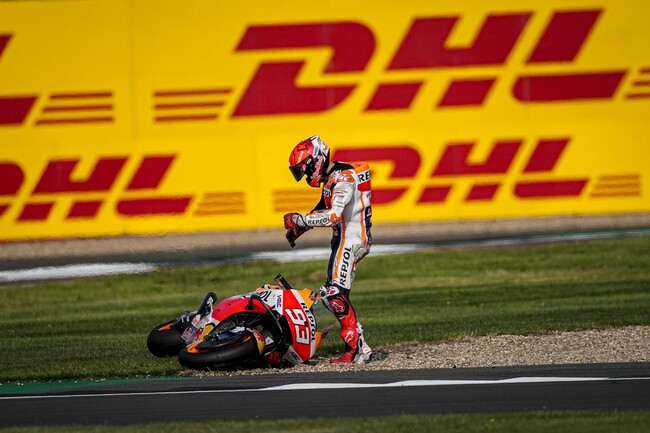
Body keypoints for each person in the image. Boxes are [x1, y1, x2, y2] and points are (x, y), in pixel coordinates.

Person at [283, 135, 373, 364]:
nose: (304, 176)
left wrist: (299, 219)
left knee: (333, 294)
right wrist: (299, 230)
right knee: (335, 294)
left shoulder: (343, 179)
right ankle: (357, 347)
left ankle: (357, 349)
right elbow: (323, 207)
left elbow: (332, 215)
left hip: (350, 239)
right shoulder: (332, 176)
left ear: (316, 160)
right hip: (344, 238)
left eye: (304, 169)